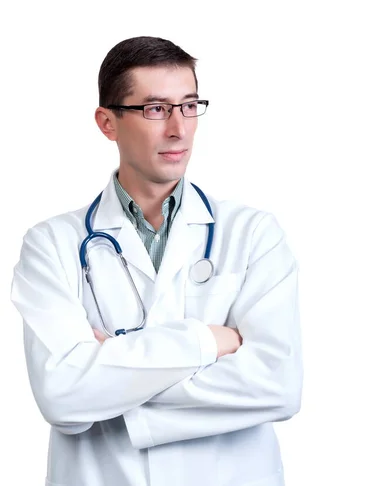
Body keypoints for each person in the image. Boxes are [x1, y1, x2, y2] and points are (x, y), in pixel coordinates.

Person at [10, 36, 302, 486]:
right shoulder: (52, 244)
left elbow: (278, 385)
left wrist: (113, 379)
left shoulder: (253, 235)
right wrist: (207, 342)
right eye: (154, 109)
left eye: (189, 106)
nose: (178, 129)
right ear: (107, 123)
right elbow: (62, 397)